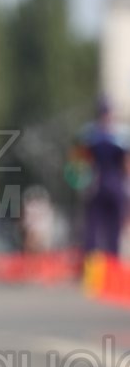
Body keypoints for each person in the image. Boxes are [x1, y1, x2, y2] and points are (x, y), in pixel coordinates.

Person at [70, 97, 130, 257]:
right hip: (104, 184)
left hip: (101, 184)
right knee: (98, 229)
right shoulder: (118, 135)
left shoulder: (90, 134)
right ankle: (99, 265)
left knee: (104, 229)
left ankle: (102, 265)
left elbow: (78, 161)